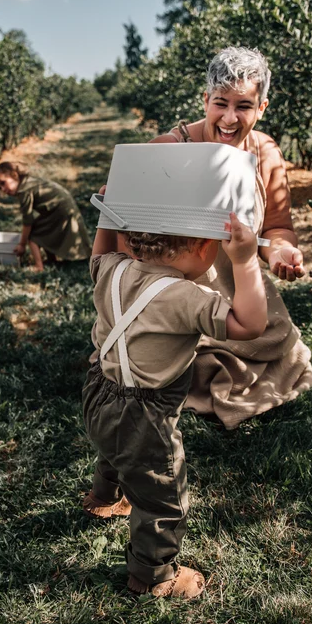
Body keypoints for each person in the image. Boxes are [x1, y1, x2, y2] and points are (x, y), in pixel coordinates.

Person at [102, 46, 312, 429]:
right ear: (205, 100)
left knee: (279, 345)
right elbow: (127, 245)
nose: (230, 118)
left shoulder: (265, 151)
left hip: (239, 285)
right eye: (221, 103)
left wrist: (281, 251)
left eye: (244, 106)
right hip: (174, 298)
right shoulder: (167, 151)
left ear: (262, 107)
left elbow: (277, 227)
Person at [82, 213, 267, 598]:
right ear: (203, 247)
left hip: (98, 389)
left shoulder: (112, 268)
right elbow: (249, 325)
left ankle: (103, 497)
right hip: (144, 416)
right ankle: (152, 576)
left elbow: (99, 253)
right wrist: (246, 260)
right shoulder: (187, 298)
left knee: (114, 449)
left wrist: (109, 213)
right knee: (163, 496)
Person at [0, 161, 92, 271]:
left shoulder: (24, 191)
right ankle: (51, 259)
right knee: (42, 229)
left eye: (3, 183)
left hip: (58, 210)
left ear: (14, 176)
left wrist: (22, 244)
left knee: (33, 234)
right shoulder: (27, 182)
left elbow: (27, 221)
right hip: (61, 207)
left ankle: (39, 266)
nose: (3, 190)